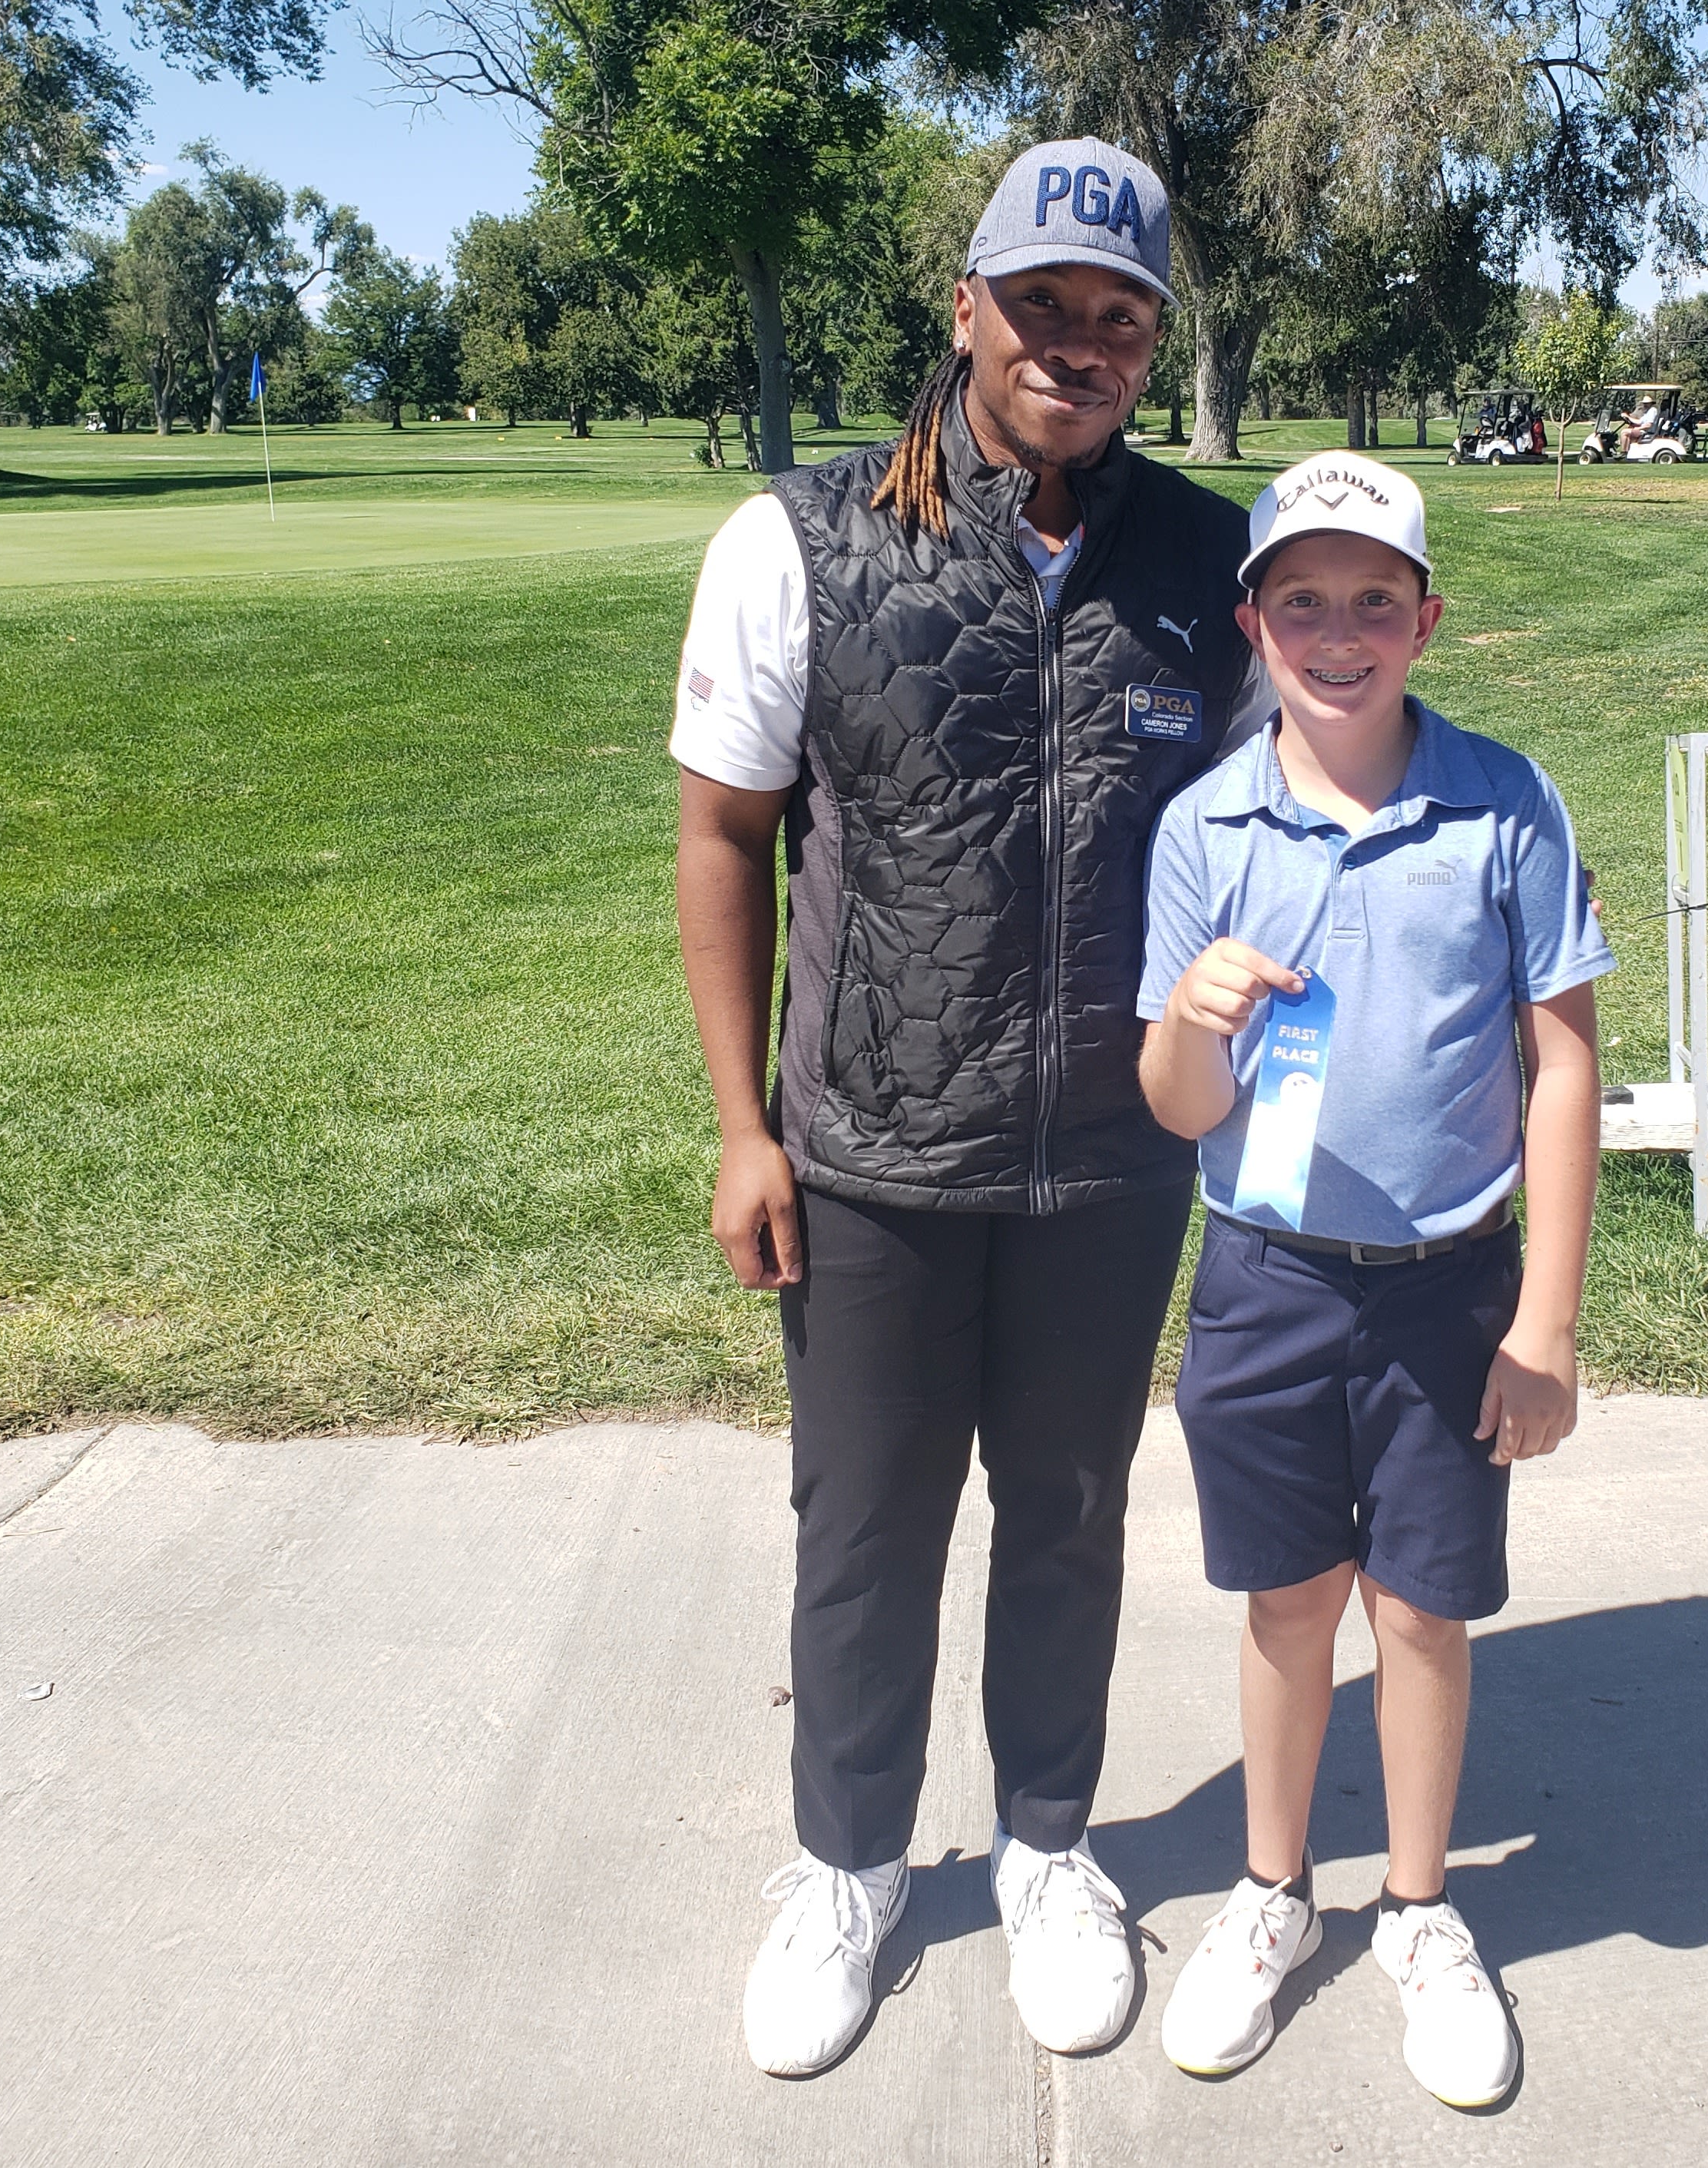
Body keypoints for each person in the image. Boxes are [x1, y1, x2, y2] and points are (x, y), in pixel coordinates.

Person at [670, 138, 1271, 2079]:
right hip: (869, 1149)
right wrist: (745, 1124)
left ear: (1150, 342)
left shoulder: (1207, 567)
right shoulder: (804, 541)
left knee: (1073, 1511)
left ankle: (1047, 1847)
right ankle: (847, 1865)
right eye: (1041, 306)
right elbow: (722, 834)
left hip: (1114, 1155)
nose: (1076, 346)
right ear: (965, 308)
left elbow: (1278, 844)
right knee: (862, 1530)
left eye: (1117, 318)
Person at [1134, 452, 1612, 2106]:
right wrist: (1191, 1018)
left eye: (1375, 600)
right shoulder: (1205, 824)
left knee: (1423, 1604)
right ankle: (1273, 1894)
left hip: (1448, 1285)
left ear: (1425, 618)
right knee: (1286, 1599)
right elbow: (1176, 1108)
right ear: (1253, 617)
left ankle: (1418, 1906)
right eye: (1303, 599)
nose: (1339, 632)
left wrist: (1543, 1322)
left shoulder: (1506, 802)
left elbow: (1563, 1068)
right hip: (1265, 1275)